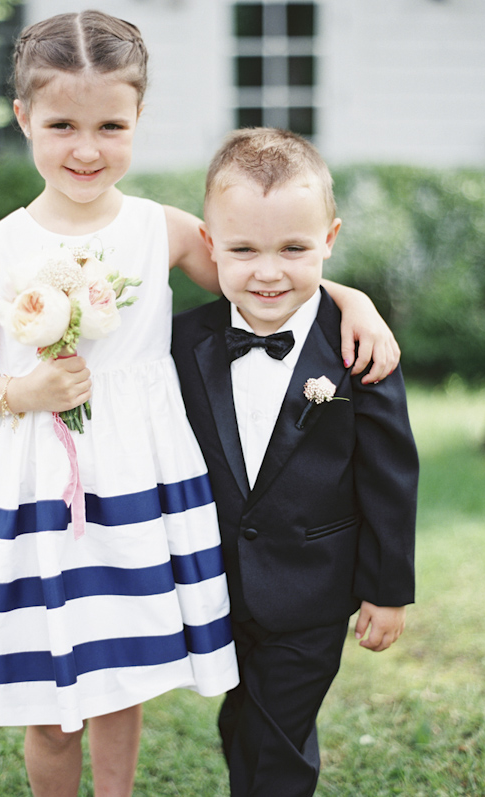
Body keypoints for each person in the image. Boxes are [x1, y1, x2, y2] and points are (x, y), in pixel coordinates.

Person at [0, 10, 400, 797]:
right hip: (46, 486)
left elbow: (260, 270)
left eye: (111, 124)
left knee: (122, 678)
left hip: (144, 482)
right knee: (52, 702)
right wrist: (20, 390)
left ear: (139, 118)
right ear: (24, 118)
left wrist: (351, 297)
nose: (87, 147)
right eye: (61, 124)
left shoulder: (162, 230)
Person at [171, 127, 418, 797]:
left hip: (314, 586)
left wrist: (388, 587)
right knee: (241, 720)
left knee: (282, 735)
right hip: (215, 583)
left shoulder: (358, 345)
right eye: (244, 249)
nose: (269, 271)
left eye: (294, 249)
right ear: (209, 241)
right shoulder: (183, 340)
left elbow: (391, 475)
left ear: (330, 239)